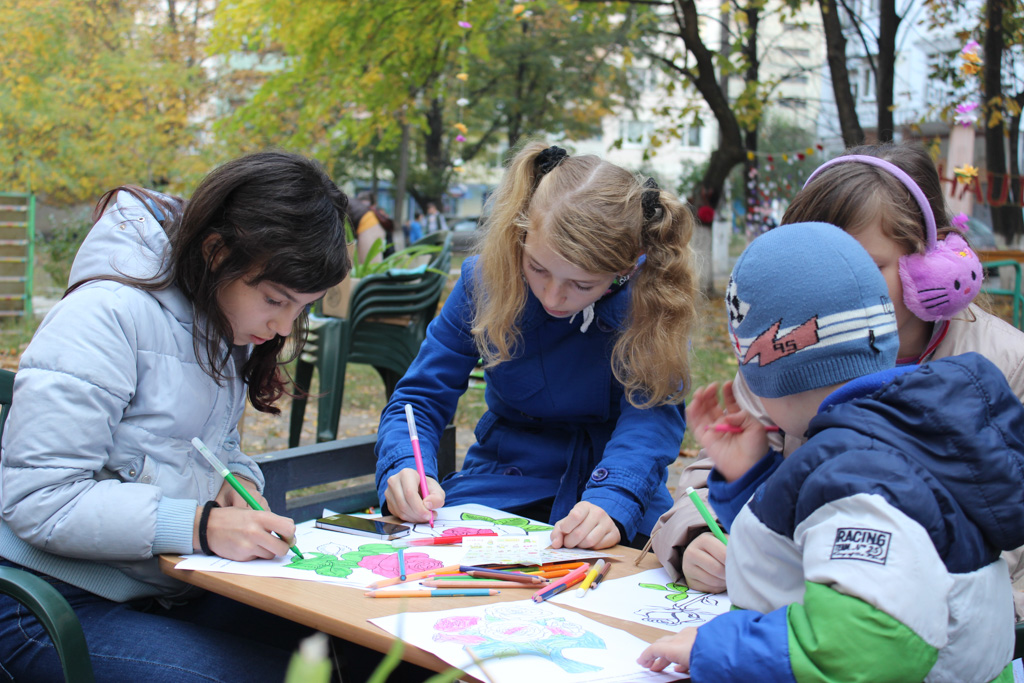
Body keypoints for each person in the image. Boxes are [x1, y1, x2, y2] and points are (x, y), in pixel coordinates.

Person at [0, 152, 352, 681]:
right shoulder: (106, 317)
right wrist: (200, 524)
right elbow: (40, 498)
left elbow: (211, 450)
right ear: (216, 252)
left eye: (301, 308)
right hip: (47, 599)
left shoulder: (220, 320)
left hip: (160, 584)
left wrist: (239, 484)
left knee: (344, 652)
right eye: (275, 299)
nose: (282, 327)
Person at [639, 222, 1024, 681]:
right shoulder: (896, 439)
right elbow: (817, 544)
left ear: (772, 378)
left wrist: (716, 646)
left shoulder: (858, 475)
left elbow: (863, 647)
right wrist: (749, 478)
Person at [654, 142, 1024, 609]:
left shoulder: (1006, 365)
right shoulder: (784, 351)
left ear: (930, 265)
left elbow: (1006, 541)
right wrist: (696, 537)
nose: (838, 295)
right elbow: (713, 480)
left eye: (868, 268)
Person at [374, 142, 699, 549]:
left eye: (582, 285)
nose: (552, 298)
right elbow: (419, 398)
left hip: (609, 497)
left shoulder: (650, 302)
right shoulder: (486, 280)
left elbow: (650, 420)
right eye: (538, 269)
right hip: (503, 485)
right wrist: (404, 464)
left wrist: (614, 498)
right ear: (521, 235)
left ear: (626, 268)